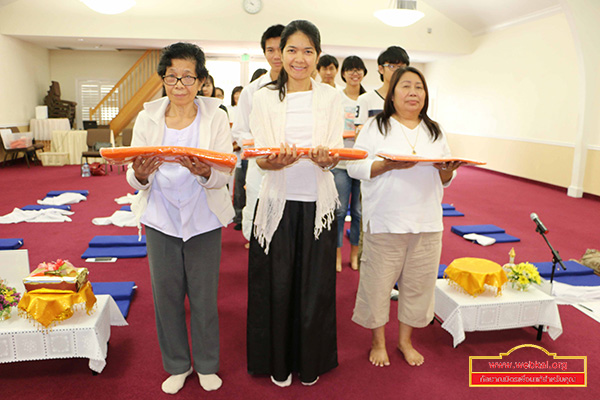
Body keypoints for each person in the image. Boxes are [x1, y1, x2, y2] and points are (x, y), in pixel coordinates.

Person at [126, 42, 234, 394]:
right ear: (163, 79)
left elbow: (224, 173)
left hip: (203, 217)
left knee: (203, 297)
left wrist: (206, 172)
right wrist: (140, 175)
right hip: (160, 217)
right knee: (166, 296)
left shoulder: (216, 116)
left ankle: (206, 364)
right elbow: (133, 176)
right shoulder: (148, 117)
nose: (180, 85)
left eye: (188, 77)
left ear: (201, 80)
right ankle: (177, 364)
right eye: (172, 77)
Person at [246, 20, 343, 387]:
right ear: (279, 54)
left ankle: (310, 362)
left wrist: (325, 158)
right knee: (276, 285)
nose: (299, 58)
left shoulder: (330, 97)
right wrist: (275, 161)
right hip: (277, 202)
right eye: (291, 50)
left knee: (314, 287)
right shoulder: (264, 96)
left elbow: (334, 155)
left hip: (318, 202)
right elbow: (261, 158)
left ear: (317, 55)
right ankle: (278, 363)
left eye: (307, 51)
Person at [347, 66, 462, 368]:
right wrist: (385, 166)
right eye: (406, 86)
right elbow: (355, 168)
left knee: (418, 286)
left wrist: (448, 170)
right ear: (393, 93)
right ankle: (378, 342)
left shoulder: (434, 130)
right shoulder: (376, 126)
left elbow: (445, 177)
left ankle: (405, 341)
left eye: (419, 87)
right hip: (385, 220)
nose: (413, 92)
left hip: (426, 221)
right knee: (377, 285)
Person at [231, 24, 285, 243]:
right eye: (270, 50)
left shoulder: (304, 88)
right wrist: (258, 148)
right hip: (260, 164)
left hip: (293, 164)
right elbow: (240, 129)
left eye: (281, 48)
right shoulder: (253, 90)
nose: (276, 55)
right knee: (257, 212)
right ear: (264, 53)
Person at [333, 55, 367, 272]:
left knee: (359, 212)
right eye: (350, 70)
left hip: (363, 163)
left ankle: (355, 254)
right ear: (343, 73)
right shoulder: (336, 98)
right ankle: (336, 254)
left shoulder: (369, 99)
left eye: (358, 70)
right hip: (341, 163)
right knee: (339, 211)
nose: (354, 74)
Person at [355, 46, 409, 128]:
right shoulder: (365, 99)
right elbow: (359, 132)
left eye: (401, 67)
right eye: (392, 66)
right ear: (381, 69)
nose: (397, 71)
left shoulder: (409, 99)